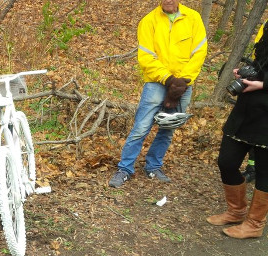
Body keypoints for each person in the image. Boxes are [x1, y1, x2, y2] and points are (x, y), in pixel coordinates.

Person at [108, 0, 207, 188]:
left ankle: (153, 166)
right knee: (141, 127)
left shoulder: (193, 18)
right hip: (156, 82)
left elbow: (200, 52)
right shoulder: (148, 21)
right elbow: (146, 57)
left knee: (168, 127)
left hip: (183, 84)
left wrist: (182, 81)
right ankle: (125, 169)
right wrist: (169, 80)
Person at [206, 20, 268, 239]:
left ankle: (254, 224)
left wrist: (262, 84)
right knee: (227, 161)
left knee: (264, 172)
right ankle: (236, 211)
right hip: (247, 108)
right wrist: (247, 75)